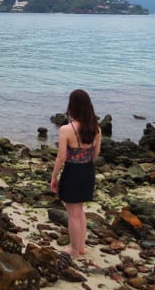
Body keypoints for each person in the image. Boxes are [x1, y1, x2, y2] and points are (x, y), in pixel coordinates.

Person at [50, 89, 102, 258]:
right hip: (87, 170)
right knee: (80, 211)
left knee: (73, 213)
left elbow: (61, 157)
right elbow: (96, 154)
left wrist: (54, 176)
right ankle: (81, 247)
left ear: (72, 106)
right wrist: (85, 162)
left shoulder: (66, 129)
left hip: (72, 172)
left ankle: (73, 250)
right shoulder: (96, 129)